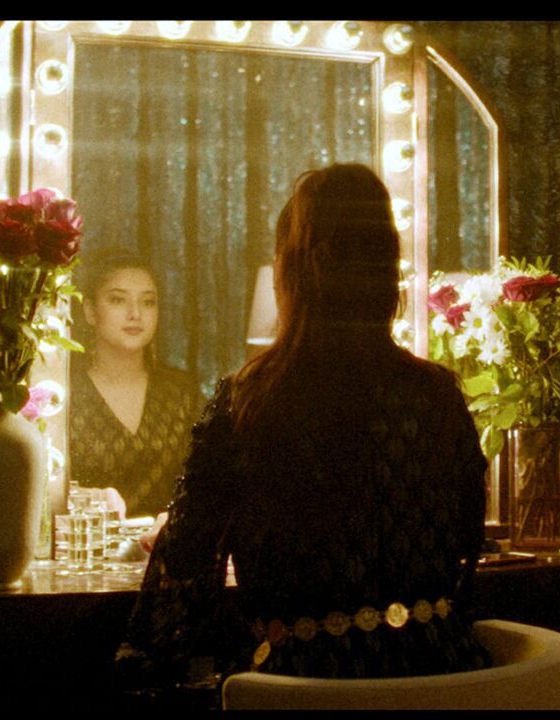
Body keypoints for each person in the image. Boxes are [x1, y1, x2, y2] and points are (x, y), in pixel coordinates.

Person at [117, 164, 491, 690]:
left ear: (291, 273)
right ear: (388, 268)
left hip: (297, 686)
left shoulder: (250, 402)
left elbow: (182, 576)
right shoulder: (438, 396)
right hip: (441, 678)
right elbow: (466, 546)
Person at [69, 250, 205, 519]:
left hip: (168, 542)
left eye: (148, 302)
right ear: (90, 311)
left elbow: (212, 481)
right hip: (87, 543)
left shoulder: (182, 393)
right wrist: (83, 497)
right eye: (118, 300)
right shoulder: (63, 394)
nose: (135, 314)